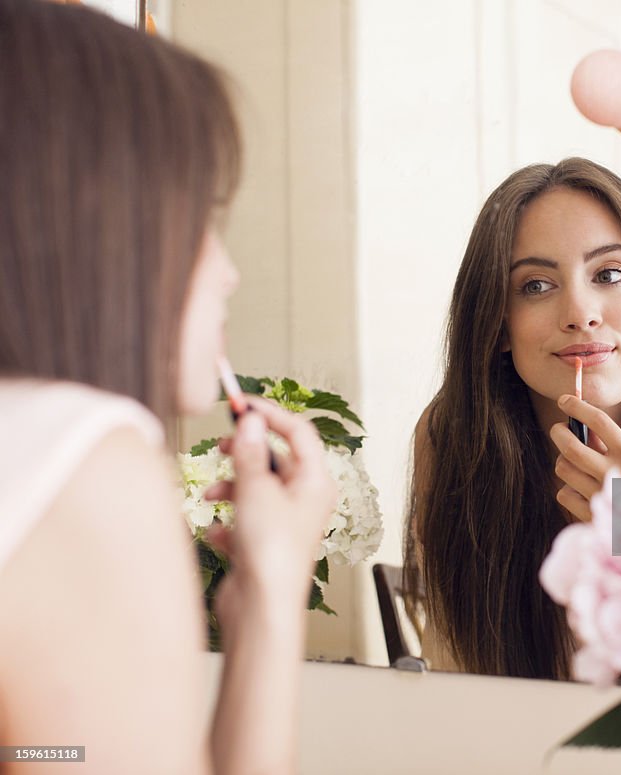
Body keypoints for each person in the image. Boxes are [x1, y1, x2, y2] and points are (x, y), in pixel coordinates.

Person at [0, 2, 336, 772]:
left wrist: (267, 601)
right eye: (202, 219)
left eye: (612, 273)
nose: (228, 270)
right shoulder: (80, 458)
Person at [405, 158, 621, 680]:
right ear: (498, 326)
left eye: (610, 274)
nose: (580, 311)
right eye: (535, 285)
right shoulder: (453, 438)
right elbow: (462, 669)